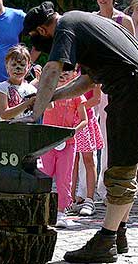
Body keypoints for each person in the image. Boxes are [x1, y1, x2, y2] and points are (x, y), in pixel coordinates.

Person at [18, 1, 138, 263]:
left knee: (122, 166)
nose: (38, 48)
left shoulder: (65, 27)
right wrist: (48, 97)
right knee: (131, 164)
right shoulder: (81, 23)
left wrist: (35, 115)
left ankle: (105, 242)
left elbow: (51, 70)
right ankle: (119, 233)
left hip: (133, 90)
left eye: (36, 40)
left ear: (42, 28)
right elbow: (88, 80)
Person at [91, 0, 136, 205]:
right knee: (89, 135)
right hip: (94, 83)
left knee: (111, 135)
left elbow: (132, 54)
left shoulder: (124, 20)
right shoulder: (91, 20)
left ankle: (107, 185)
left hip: (116, 85)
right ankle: (86, 190)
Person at [39, 69, 88, 228]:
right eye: (59, 72)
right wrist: (43, 82)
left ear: (74, 75)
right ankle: (42, 209)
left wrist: (73, 131)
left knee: (64, 179)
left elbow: (84, 120)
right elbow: (46, 108)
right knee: (44, 176)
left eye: (66, 73)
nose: (62, 75)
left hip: (67, 143)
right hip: (47, 141)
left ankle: (61, 211)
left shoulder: (77, 96)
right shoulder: (49, 92)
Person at [68, 84, 103, 216]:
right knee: (72, 162)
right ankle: (69, 200)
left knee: (88, 160)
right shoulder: (72, 73)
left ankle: (89, 200)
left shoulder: (93, 76)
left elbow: (96, 99)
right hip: (70, 120)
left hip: (85, 121)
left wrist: (79, 107)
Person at [0, 44, 37, 121]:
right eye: (14, 65)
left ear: (28, 67)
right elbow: (4, 114)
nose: (18, 68)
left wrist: (42, 82)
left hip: (26, 131)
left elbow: (49, 106)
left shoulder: (31, 89)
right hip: (6, 131)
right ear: (7, 66)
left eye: (22, 65)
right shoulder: (1, 87)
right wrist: (27, 103)